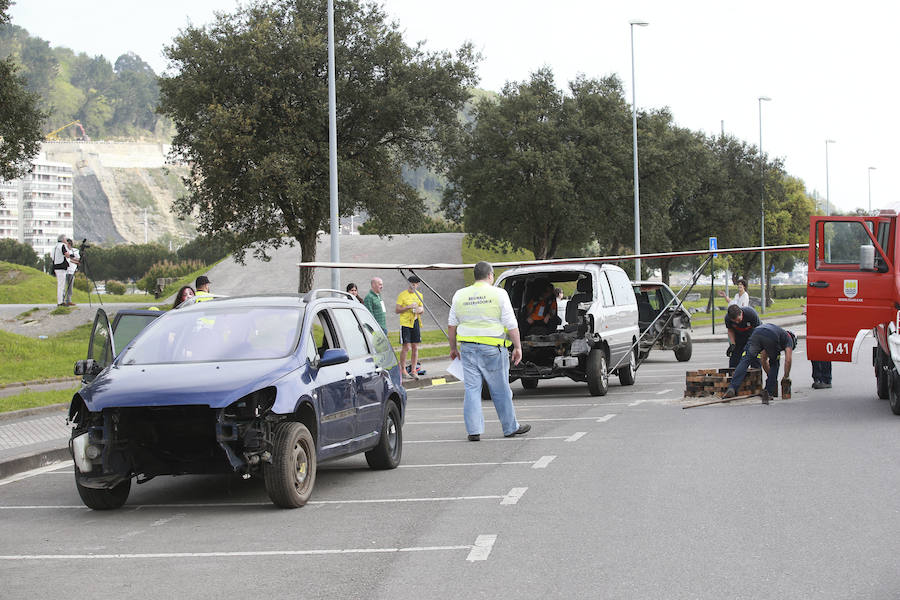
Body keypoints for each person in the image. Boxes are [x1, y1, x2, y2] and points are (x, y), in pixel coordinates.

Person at [449, 261, 530, 441]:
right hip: (493, 348)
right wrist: (517, 347)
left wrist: (453, 348)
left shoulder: (460, 295)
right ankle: (510, 427)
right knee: (500, 389)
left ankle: (474, 430)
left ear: (475, 275)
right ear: (490, 275)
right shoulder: (499, 293)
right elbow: (511, 324)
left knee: (472, 389)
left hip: (468, 348)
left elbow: (452, 325)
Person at [723, 323, 797, 404]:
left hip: (756, 333)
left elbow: (763, 360)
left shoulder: (779, 332)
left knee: (745, 360)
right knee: (774, 363)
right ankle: (768, 392)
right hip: (770, 335)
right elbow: (788, 360)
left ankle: (732, 387)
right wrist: (786, 377)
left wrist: (770, 376)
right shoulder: (788, 339)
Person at [395, 275, 425, 380]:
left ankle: (413, 370)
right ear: (408, 283)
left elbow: (422, 309)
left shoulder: (419, 295)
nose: (414, 285)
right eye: (412, 283)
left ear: (418, 284)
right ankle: (403, 370)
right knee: (406, 347)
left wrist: (419, 310)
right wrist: (408, 307)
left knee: (415, 347)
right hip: (405, 323)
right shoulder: (402, 295)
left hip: (415, 321)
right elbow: (397, 310)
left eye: (416, 283)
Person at [801, 304, 832, 389]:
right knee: (814, 355)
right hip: (813, 330)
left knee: (824, 355)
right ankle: (817, 378)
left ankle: (826, 379)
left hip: (823, 330)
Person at [724, 304, 761, 369]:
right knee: (734, 359)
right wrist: (732, 344)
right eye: (734, 321)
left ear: (741, 313)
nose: (737, 322)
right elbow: (730, 331)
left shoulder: (751, 313)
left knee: (754, 357)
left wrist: (754, 344)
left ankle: (756, 375)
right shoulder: (727, 318)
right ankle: (733, 376)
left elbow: (758, 330)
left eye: (738, 320)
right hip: (738, 337)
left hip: (753, 335)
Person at [51, 233, 70, 306]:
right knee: (61, 285)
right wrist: (70, 254)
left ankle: (61, 301)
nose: (66, 240)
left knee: (60, 284)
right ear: (63, 240)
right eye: (65, 239)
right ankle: (60, 302)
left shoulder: (55, 247)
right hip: (61, 267)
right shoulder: (62, 245)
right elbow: (66, 254)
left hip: (56, 266)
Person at [63, 238, 80, 306]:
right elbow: (67, 259)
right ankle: (62, 300)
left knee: (70, 287)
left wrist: (71, 259)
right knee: (63, 287)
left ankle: (69, 300)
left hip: (72, 270)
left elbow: (78, 259)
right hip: (65, 270)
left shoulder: (75, 251)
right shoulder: (64, 251)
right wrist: (72, 260)